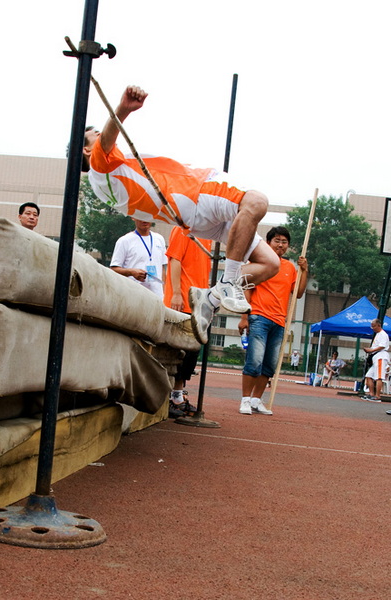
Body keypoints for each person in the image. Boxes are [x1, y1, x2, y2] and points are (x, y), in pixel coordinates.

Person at [84, 85, 280, 345]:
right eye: (95, 135)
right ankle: (227, 283)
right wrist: (123, 109)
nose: (103, 135)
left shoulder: (107, 182)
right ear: (88, 150)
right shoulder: (101, 167)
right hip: (196, 192)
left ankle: (208, 300)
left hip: (192, 217)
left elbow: (109, 142)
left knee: (270, 264)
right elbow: (108, 139)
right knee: (256, 202)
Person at [238, 226, 308, 416]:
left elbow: (298, 293)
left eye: (284, 242)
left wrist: (304, 271)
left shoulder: (290, 268)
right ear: (268, 243)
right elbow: (248, 288)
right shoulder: (260, 262)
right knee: (255, 360)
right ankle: (245, 399)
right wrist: (244, 317)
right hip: (259, 316)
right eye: (277, 240)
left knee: (270, 364)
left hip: (279, 321)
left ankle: (256, 400)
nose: (280, 244)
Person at [164, 226, 212, 418]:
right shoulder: (182, 229)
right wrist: (176, 293)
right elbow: (174, 259)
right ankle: (168, 395)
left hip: (198, 304)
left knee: (191, 354)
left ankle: (177, 395)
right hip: (182, 301)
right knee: (176, 352)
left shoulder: (208, 235)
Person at [110, 219, 167, 299]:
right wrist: (131, 272)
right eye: (141, 216)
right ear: (133, 217)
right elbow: (113, 269)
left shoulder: (159, 239)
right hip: (134, 296)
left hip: (157, 297)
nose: (144, 220)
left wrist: (165, 293)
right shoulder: (124, 241)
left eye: (147, 216)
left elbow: (162, 267)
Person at [362, 318, 390, 402]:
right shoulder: (378, 334)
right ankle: (371, 394)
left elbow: (382, 346)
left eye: (374, 326)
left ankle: (377, 396)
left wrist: (371, 350)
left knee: (379, 377)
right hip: (376, 357)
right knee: (369, 376)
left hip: (380, 356)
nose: (373, 328)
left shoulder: (382, 334)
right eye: (372, 326)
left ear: (379, 325)